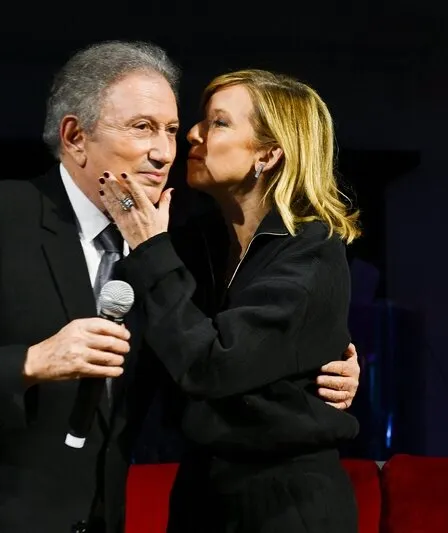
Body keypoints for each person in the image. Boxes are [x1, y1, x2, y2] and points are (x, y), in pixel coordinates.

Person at [0, 41, 360, 533]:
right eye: (143, 127)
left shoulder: (159, 250)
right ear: (75, 136)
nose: (167, 149)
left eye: (171, 130)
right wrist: (30, 363)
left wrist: (320, 367)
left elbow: (212, 355)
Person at [100, 68, 361, 533]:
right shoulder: (198, 242)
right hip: (201, 490)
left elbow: (211, 365)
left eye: (218, 122)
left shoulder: (312, 252)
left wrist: (148, 249)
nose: (194, 134)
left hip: (282, 504)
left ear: (268, 153)